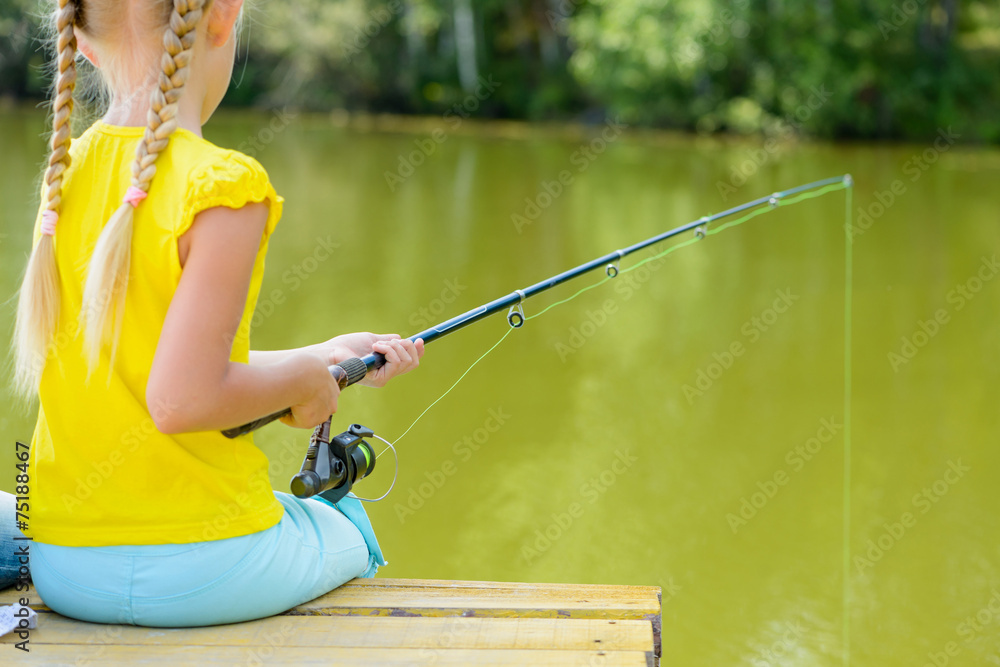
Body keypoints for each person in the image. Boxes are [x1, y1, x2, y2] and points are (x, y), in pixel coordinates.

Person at [11, 0, 424, 626]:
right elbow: (181, 403)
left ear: (85, 42)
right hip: (204, 569)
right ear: (223, 16)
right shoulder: (223, 187)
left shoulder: (63, 179)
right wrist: (309, 385)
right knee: (342, 528)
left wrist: (314, 357)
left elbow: (156, 370)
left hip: (64, 566)